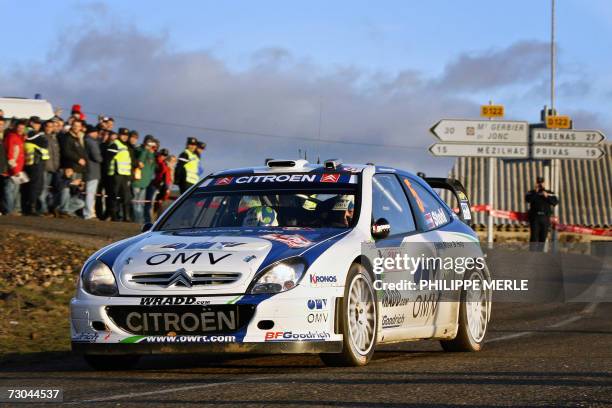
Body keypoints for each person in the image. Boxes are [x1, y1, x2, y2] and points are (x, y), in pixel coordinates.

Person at [58, 119, 87, 216]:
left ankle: (65, 210)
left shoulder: (79, 138)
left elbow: (84, 154)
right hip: (70, 168)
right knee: (66, 189)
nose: (76, 127)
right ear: (71, 125)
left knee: (75, 192)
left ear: (81, 127)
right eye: (74, 125)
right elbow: (66, 152)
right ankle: (63, 209)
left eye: (78, 126)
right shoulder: (67, 137)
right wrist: (78, 159)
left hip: (79, 169)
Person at [21, 122, 49, 215]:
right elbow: (44, 143)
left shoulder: (30, 135)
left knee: (32, 187)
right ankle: (31, 208)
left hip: (35, 165)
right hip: (35, 165)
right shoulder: (32, 135)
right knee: (34, 187)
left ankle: (30, 207)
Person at [106, 128, 132, 221]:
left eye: (126, 135)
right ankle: (114, 217)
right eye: (123, 135)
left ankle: (126, 217)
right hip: (116, 174)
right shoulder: (114, 145)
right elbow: (108, 160)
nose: (125, 137)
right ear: (119, 135)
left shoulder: (125, 146)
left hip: (125, 175)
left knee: (126, 197)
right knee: (114, 196)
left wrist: (129, 176)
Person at [1, 120, 27, 214]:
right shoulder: (11, 137)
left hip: (19, 169)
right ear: (15, 127)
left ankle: (13, 209)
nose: (21, 130)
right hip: (12, 170)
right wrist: (15, 169)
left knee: (15, 191)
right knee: (9, 191)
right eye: (19, 128)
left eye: (23, 128)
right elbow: (10, 155)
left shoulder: (20, 138)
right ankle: (9, 210)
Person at [526, 176, 558, 249]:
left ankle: (540, 255)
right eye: (538, 182)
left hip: (545, 218)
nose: (540, 184)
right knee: (534, 237)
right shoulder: (531, 192)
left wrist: (547, 196)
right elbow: (528, 200)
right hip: (535, 218)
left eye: (541, 182)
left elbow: (555, 202)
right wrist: (535, 192)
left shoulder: (550, 193)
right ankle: (532, 255)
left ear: (544, 183)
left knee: (543, 238)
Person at [131, 135, 157, 223]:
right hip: (137, 180)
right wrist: (145, 149)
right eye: (149, 142)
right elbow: (140, 161)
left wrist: (150, 151)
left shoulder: (151, 153)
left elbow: (152, 167)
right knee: (136, 201)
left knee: (141, 202)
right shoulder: (139, 150)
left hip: (145, 182)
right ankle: (137, 219)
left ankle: (140, 219)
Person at [39, 119, 61, 215]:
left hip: (53, 168)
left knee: (50, 190)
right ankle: (43, 209)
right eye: (47, 126)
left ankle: (48, 208)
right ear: (44, 127)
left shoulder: (54, 138)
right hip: (44, 167)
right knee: (42, 189)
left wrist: (57, 166)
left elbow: (56, 154)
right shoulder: (41, 137)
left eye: (51, 127)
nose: (49, 128)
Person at [83, 126, 103, 219]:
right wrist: (102, 159)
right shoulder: (91, 142)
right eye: (95, 132)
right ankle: (89, 213)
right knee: (90, 193)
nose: (97, 134)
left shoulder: (86, 141)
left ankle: (89, 212)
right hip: (93, 170)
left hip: (90, 170)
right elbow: (97, 157)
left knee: (90, 193)